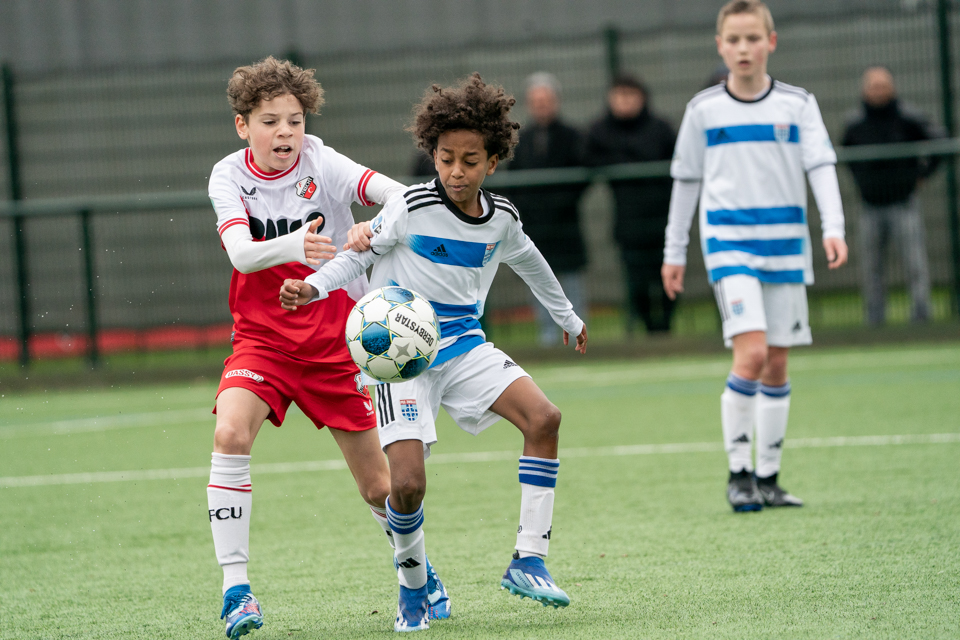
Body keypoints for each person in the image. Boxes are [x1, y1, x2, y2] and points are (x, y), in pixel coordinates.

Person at [279, 73, 588, 631]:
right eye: (446, 158)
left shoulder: (503, 220)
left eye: (470, 160)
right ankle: (414, 585)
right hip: (397, 356)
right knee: (408, 484)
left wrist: (567, 317)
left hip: (464, 344)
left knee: (545, 418)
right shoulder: (410, 206)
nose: (456, 171)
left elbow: (533, 263)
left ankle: (529, 559)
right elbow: (357, 256)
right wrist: (315, 287)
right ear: (433, 155)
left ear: (492, 162)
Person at [206, 56, 448, 639]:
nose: (285, 132)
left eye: (294, 120)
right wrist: (298, 244)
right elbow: (241, 254)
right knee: (230, 433)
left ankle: (418, 572)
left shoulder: (322, 160)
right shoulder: (227, 176)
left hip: (340, 341)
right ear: (243, 126)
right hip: (263, 341)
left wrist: (376, 226)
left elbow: (398, 195)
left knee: (380, 489)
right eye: (269, 121)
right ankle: (236, 591)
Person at [661, 0, 848, 512]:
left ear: (771, 41)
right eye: (734, 40)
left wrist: (833, 226)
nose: (744, 48)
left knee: (778, 364)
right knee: (753, 354)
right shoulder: (703, 110)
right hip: (730, 246)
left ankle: (768, 478)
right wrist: (673, 251)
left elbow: (822, 165)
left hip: (787, 246)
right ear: (721, 45)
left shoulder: (798, 104)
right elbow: (686, 182)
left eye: (753, 38)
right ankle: (738, 474)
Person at [842, 66, 942, 326]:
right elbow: (846, 155)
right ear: (865, 90)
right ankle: (874, 320)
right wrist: (863, 182)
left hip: (903, 203)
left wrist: (921, 175)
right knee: (872, 267)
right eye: (873, 86)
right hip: (870, 206)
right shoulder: (855, 124)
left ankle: (921, 314)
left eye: (883, 85)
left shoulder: (909, 118)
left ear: (892, 88)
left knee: (914, 262)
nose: (878, 91)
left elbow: (938, 142)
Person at [585, 73, 677, 333]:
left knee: (667, 278)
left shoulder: (660, 128)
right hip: (628, 223)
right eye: (619, 96)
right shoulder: (601, 130)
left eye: (630, 95)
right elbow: (588, 157)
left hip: (661, 220)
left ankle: (666, 327)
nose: (624, 102)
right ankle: (649, 327)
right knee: (637, 281)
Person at [507, 72, 589, 346]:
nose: (541, 106)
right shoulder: (521, 141)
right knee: (538, 279)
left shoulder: (572, 136)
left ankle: (579, 334)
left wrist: (561, 202)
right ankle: (548, 338)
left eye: (546, 100)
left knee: (571, 279)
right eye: (536, 101)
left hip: (565, 222)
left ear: (556, 101)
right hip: (534, 224)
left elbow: (582, 174)